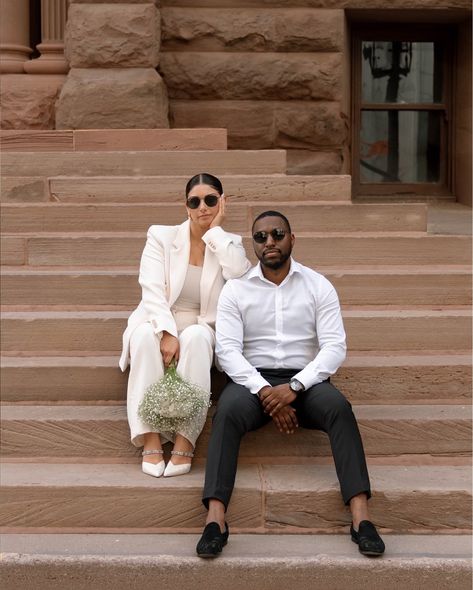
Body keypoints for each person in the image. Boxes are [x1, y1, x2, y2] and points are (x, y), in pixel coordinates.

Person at [196, 210, 385, 557]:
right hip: (253, 382)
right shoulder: (236, 290)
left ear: (292, 239)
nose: (269, 241)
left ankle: (361, 518)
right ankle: (215, 519)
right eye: (261, 237)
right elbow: (227, 351)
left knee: (339, 408)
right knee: (227, 411)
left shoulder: (318, 285)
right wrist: (266, 391)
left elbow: (334, 347)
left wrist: (294, 388)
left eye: (277, 234)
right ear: (254, 245)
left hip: (306, 382)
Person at [119, 173, 251, 478]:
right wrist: (166, 332)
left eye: (210, 200)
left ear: (222, 201)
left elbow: (239, 277)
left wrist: (215, 232)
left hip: (202, 323)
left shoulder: (230, 243)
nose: (202, 207)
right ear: (186, 206)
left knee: (196, 338)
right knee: (142, 337)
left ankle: (185, 439)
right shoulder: (161, 236)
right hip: (158, 315)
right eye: (195, 201)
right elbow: (150, 289)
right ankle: (149, 437)